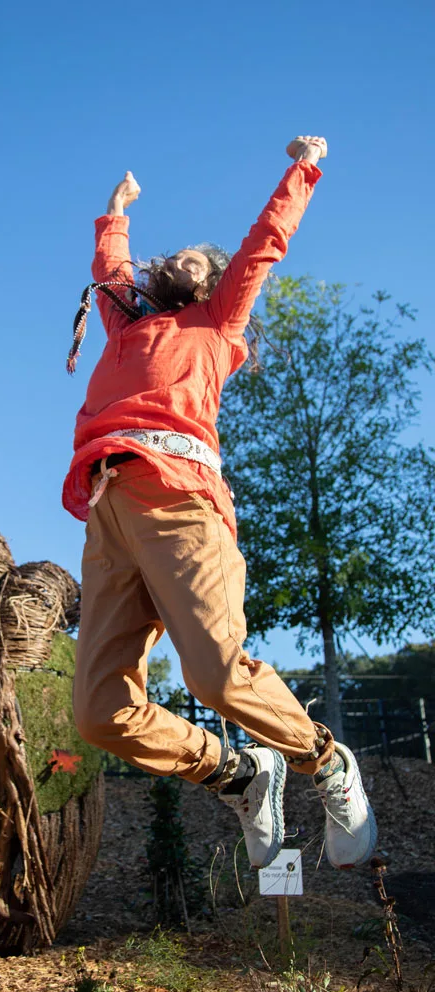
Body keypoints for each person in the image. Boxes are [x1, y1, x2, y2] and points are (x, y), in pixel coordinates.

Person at [62, 136, 377, 870]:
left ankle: (326, 762)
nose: (185, 258)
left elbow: (263, 246)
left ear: (212, 286)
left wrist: (301, 169)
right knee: (100, 712)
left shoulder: (216, 322)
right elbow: (110, 271)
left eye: (200, 262)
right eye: (179, 255)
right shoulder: (128, 323)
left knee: (214, 672)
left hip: (179, 499)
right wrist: (115, 214)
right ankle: (238, 775)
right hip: (108, 510)